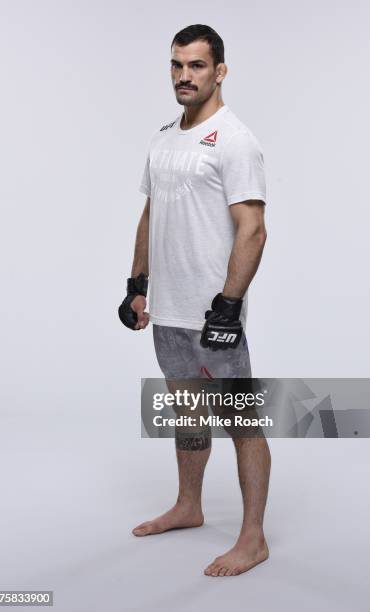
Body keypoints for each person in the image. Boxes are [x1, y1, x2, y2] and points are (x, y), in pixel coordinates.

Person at [119, 24, 271, 577]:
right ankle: (189, 505)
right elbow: (151, 215)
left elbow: (252, 229)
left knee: (242, 422)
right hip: (170, 311)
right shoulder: (163, 138)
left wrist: (229, 306)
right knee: (186, 414)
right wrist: (137, 285)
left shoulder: (234, 139)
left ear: (220, 71)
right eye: (177, 65)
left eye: (197, 66)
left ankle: (252, 538)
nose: (185, 76)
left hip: (213, 316)